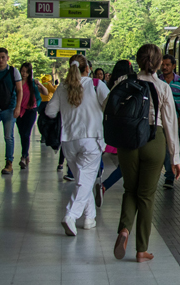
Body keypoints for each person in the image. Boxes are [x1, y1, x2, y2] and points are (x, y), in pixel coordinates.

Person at [113, 44, 180, 263]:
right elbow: (170, 123)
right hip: (154, 139)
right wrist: (175, 158)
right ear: (160, 63)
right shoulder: (162, 87)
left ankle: (124, 230)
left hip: (128, 141)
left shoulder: (123, 83)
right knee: (146, 196)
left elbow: (108, 106)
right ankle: (141, 250)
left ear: (138, 60)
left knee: (129, 189)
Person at [46, 54, 109, 236]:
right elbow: (110, 106)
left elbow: (50, 112)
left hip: (69, 142)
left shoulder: (62, 88)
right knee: (84, 181)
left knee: (83, 180)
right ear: (87, 68)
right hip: (91, 139)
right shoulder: (96, 85)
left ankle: (90, 218)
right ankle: (71, 215)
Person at [96, 60, 136, 206]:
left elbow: (106, 106)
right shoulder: (133, 83)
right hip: (133, 129)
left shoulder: (113, 85)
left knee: (126, 163)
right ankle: (106, 186)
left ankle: (105, 186)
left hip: (120, 130)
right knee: (128, 165)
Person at [158, 54, 180, 189]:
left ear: (173, 66)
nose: (164, 67)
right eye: (163, 65)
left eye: (167, 65)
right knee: (164, 149)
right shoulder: (158, 81)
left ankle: (170, 175)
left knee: (172, 148)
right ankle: (169, 177)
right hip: (161, 122)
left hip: (175, 121)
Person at [16, 63, 47, 169]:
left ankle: (23, 156)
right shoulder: (17, 82)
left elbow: (45, 93)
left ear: (30, 73)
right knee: (21, 134)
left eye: (26, 71)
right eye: (22, 71)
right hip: (19, 111)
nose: (23, 73)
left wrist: (40, 84)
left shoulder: (33, 83)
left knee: (26, 133)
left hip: (30, 111)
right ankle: (26, 154)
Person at [37, 74, 57, 143]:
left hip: (41, 103)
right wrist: (56, 85)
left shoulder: (42, 84)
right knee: (47, 121)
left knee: (42, 120)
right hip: (47, 103)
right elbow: (54, 91)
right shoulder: (48, 84)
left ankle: (43, 136)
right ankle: (45, 137)